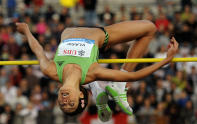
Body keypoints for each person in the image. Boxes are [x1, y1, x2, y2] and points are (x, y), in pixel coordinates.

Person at [15, 21, 178, 118]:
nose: (65, 101)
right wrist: (166, 60)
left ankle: (101, 89)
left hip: (71, 29)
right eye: (70, 104)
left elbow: (37, 49)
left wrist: (27, 31)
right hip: (102, 35)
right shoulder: (91, 73)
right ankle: (120, 86)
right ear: (80, 95)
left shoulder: (50, 70)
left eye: (62, 104)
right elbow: (136, 76)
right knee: (149, 28)